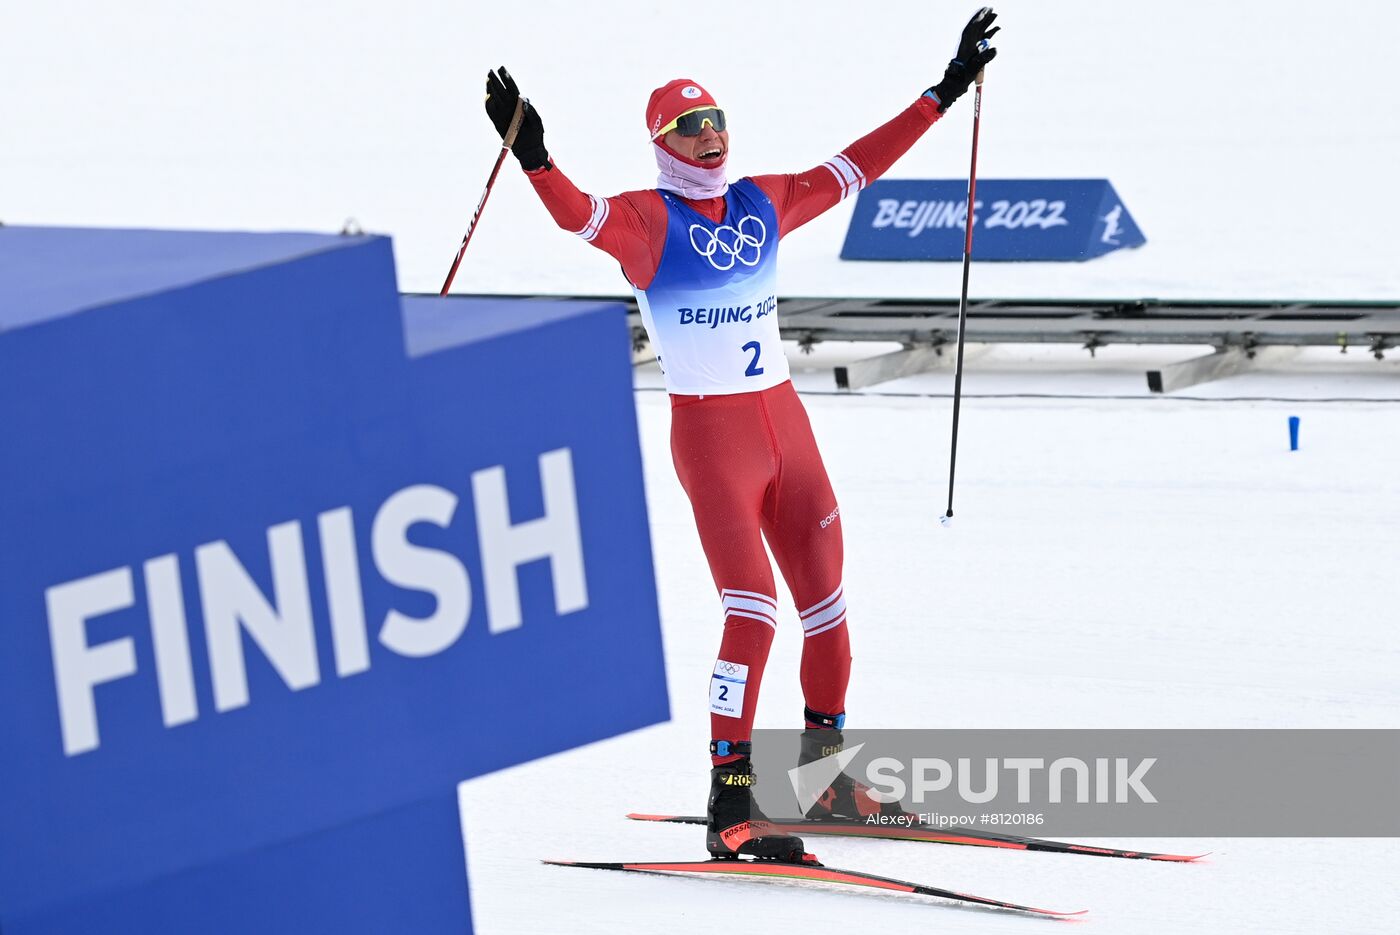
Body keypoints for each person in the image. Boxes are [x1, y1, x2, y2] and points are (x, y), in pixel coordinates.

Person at [484, 8, 999, 861]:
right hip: (715, 438)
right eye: (691, 127)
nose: (711, 135)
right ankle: (730, 798)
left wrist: (942, 91)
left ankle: (823, 780)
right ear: (663, 142)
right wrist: (534, 154)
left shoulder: (764, 199)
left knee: (829, 607)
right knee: (752, 612)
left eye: (717, 119)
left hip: (786, 425)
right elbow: (578, 216)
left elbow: (855, 167)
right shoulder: (648, 222)